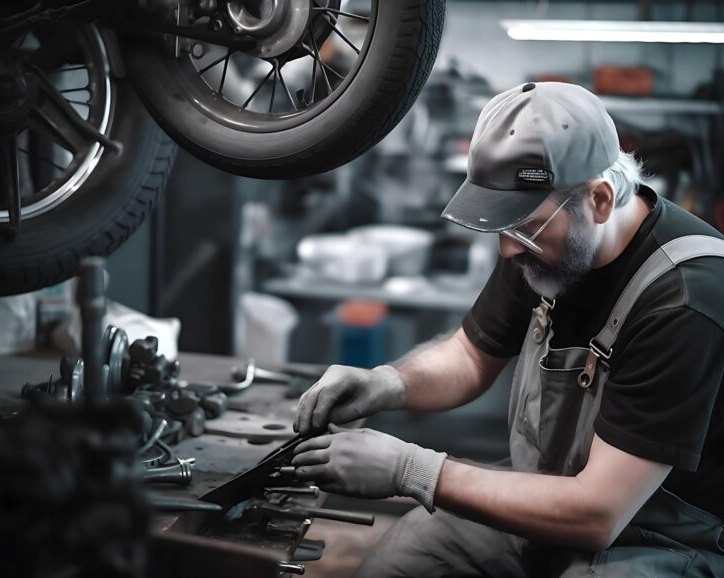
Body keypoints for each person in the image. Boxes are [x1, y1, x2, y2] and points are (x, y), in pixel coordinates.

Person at [290, 82, 724, 577]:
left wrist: (411, 470)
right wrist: (385, 383)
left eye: (524, 228)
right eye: (503, 227)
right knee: (410, 556)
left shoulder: (684, 299)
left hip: (660, 538)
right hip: (554, 495)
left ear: (600, 200)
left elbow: (599, 512)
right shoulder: (547, 248)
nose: (507, 251)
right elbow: (472, 356)